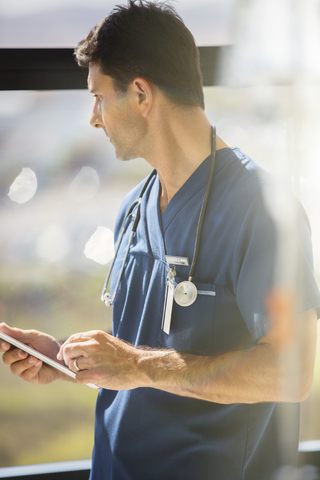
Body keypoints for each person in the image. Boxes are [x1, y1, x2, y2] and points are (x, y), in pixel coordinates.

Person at [1, 1, 320, 479]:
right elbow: (146, 350)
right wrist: (69, 358)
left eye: (99, 97)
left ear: (141, 94)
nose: (93, 117)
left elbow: (290, 373)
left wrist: (135, 364)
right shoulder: (134, 206)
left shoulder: (262, 210)